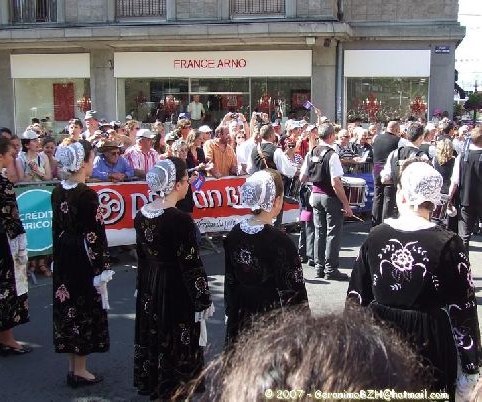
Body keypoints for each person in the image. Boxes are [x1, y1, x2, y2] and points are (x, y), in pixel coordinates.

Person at [347, 160, 480, 400]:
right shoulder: (448, 242)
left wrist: (350, 344)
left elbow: (356, 296)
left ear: (403, 195)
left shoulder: (376, 235)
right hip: (430, 338)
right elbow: (463, 310)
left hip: (381, 335)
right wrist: (470, 365)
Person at [184, 308, 431, 401]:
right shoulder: (277, 241)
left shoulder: (236, 235)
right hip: (276, 313)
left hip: (255, 319)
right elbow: (292, 282)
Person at [134, 158, 212, 398]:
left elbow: (142, 257)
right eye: (186, 180)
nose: (189, 184)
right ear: (176, 184)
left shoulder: (142, 214)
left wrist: (141, 285)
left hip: (150, 282)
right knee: (177, 335)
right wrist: (202, 299)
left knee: (155, 332)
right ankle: (174, 387)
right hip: (173, 286)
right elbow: (191, 264)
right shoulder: (179, 220)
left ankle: (158, 382)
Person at [52, 141, 113, 387]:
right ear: (84, 162)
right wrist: (101, 268)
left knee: (68, 307)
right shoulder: (87, 194)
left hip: (65, 253)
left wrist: (56, 257)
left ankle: (73, 366)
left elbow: (56, 228)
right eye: (91, 158)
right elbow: (95, 234)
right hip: (82, 256)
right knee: (82, 306)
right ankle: (79, 370)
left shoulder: (58, 191)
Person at [223, 169, 309, 343]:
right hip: (269, 313)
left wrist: (230, 310)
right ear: (276, 200)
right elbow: (294, 291)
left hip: (240, 310)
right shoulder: (280, 241)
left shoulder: (234, 234)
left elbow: (230, 280)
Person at [0, 136, 31, 356]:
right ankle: (7, 340)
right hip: (2, 241)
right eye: (10, 154)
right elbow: (12, 218)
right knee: (5, 287)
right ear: (0, 155)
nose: (12, 158)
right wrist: (21, 247)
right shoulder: (1, 184)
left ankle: (3, 338)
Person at [300, 123, 353, 280]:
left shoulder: (311, 153)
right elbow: (336, 182)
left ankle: (319, 267)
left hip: (315, 195)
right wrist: (345, 203)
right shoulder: (332, 155)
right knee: (332, 233)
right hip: (329, 197)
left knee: (319, 231)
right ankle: (330, 269)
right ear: (331, 136)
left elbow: (302, 177)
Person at [449, 126, 482, 254]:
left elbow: (455, 180)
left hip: (466, 199)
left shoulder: (462, 157)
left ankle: (463, 267)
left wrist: (450, 197)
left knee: (464, 236)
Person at [371, 121, 400, 226]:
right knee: (388, 198)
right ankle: (385, 225)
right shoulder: (397, 140)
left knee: (377, 197)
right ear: (396, 129)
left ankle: (375, 224)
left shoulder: (376, 138)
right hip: (388, 170)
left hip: (376, 169)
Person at [433, 139, 457, 231]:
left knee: (437, 217)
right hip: (450, 190)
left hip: (438, 190)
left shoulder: (435, 159)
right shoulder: (454, 160)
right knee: (451, 216)